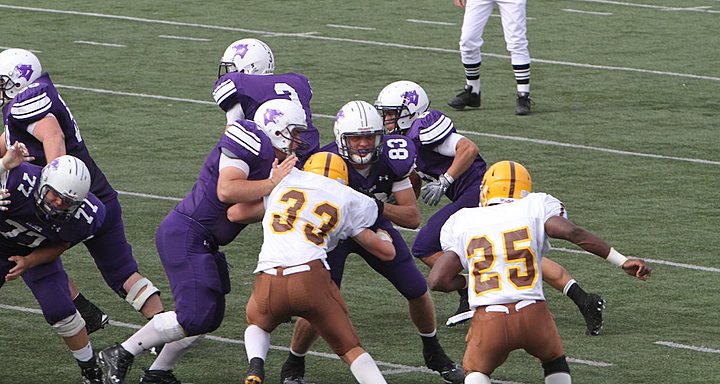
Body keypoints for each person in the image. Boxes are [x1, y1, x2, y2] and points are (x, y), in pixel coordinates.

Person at [97, 99, 308, 384]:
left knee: (208, 316)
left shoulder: (273, 161)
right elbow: (227, 189)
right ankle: (121, 352)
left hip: (204, 240)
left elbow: (236, 213)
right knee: (194, 315)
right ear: (276, 128)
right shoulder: (251, 138)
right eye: (293, 132)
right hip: (187, 233)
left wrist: (282, 200)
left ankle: (158, 373)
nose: (297, 140)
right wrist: (272, 186)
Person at [376, 80, 606, 334]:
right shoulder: (405, 141)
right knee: (520, 254)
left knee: (425, 245)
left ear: (411, 110)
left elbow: (468, 148)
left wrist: (446, 180)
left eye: (391, 113)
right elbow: (417, 176)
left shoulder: (424, 126)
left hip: (478, 192)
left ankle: (470, 290)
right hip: (474, 195)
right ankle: (584, 299)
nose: (387, 119)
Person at [279, 101, 464, 384]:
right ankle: (294, 364)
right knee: (320, 301)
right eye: (356, 138)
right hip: (335, 233)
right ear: (342, 138)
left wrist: (369, 206)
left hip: (374, 226)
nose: (363, 145)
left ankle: (433, 350)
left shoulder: (392, 157)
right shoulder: (323, 162)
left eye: (370, 137)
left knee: (416, 288)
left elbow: (412, 216)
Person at [427, 160, 652, 384]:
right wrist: (622, 261)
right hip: (533, 312)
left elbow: (437, 280)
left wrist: (469, 282)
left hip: (489, 316)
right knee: (554, 361)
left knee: (477, 371)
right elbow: (572, 232)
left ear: (485, 190)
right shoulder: (535, 206)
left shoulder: (464, 220)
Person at [0, 47, 164, 332]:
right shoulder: (28, 104)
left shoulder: (27, 103)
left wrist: (55, 183)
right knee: (122, 273)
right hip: (99, 196)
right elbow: (8, 139)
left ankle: (83, 312)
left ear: (19, 81)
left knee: (25, 254)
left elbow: (53, 135)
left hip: (70, 204)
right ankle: (166, 327)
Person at [229, 151, 395, 384]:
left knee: (258, 323)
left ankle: (256, 364)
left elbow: (234, 213)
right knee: (350, 348)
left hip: (270, 275)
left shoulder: (284, 180)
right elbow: (386, 252)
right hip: (310, 278)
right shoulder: (348, 197)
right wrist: (384, 235)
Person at [0, 144, 106, 384]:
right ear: (43, 182)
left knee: (61, 311)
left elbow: (61, 245)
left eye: (68, 201)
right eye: (55, 195)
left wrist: (29, 261)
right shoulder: (15, 180)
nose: (58, 203)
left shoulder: (87, 216)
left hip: (34, 252)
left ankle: (91, 371)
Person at [212, 38, 320, 162]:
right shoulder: (297, 82)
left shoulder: (243, 87)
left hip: (278, 155)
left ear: (249, 67)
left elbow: (231, 136)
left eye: (231, 68)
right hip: (311, 148)